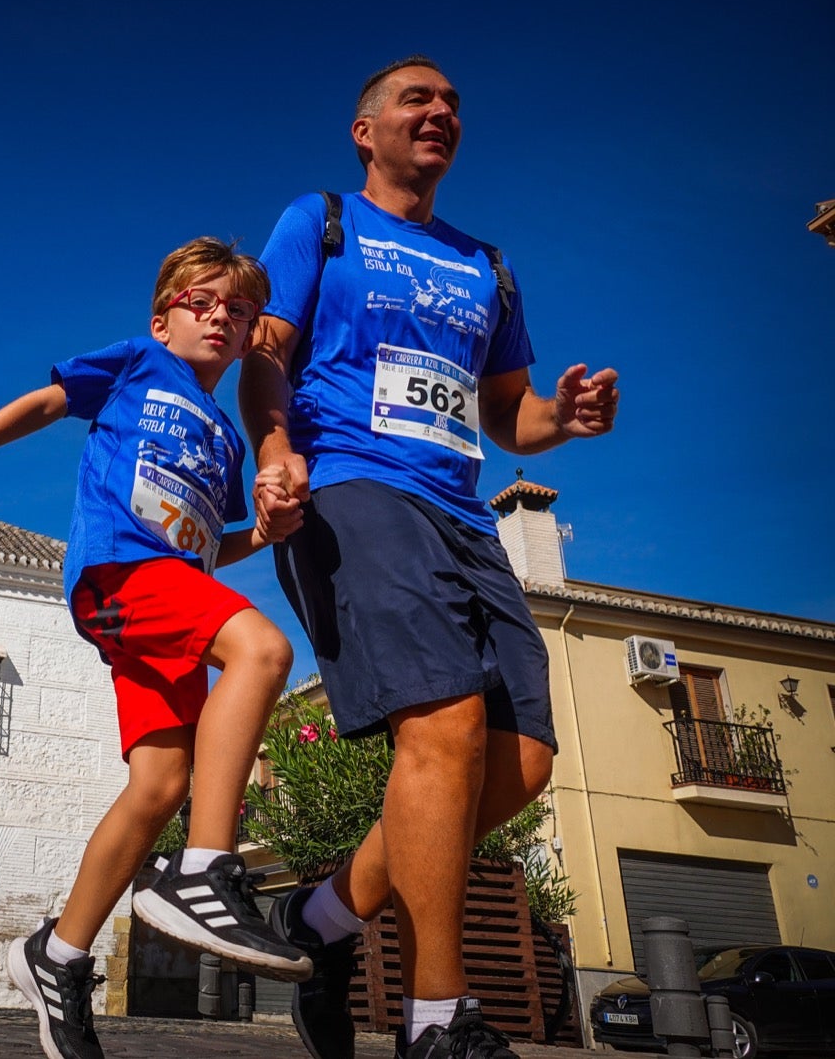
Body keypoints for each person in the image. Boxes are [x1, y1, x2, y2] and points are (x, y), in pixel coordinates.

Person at [239, 56, 620, 1059]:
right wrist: (276, 453)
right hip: (353, 488)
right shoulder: (321, 221)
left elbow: (508, 414)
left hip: (458, 511)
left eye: (452, 101)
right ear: (365, 130)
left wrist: (564, 420)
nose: (441, 111)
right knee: (442, 725)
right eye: (417, 98)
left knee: (520, 761)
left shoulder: (485, 264)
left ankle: (319, 923)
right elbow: (267, 350)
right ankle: (435, 1016)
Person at [0, 237, 312, 1059]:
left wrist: (262, 534)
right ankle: (207, 867)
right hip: (122, 577)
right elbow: (45, 403)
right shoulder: (137, 364)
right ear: (163, 317)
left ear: (247, 339)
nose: (221, 319)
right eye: (202, 303)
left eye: (238, 313)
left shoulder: (228, 440)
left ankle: (58, 955)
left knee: (160, 784)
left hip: (174, 594)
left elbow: (206, 545)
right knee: (265, 651)